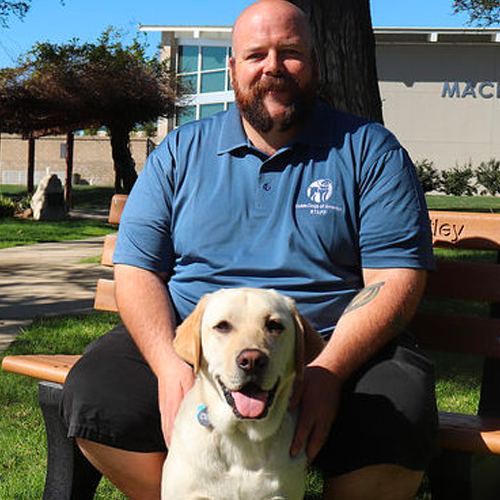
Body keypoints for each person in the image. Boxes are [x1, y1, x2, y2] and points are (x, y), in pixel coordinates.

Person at [61, 1, 438, 498]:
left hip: (330, 345)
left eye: (291, 52)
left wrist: (324, 371)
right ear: (233, 67)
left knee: (401, 412)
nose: (273, 67)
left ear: (316, 63)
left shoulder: (369, 150)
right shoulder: (179, 152)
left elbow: (395, 277)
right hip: (199, 343)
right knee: (95, 394)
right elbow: (136, 267)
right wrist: (171, 365)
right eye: (256, 54)